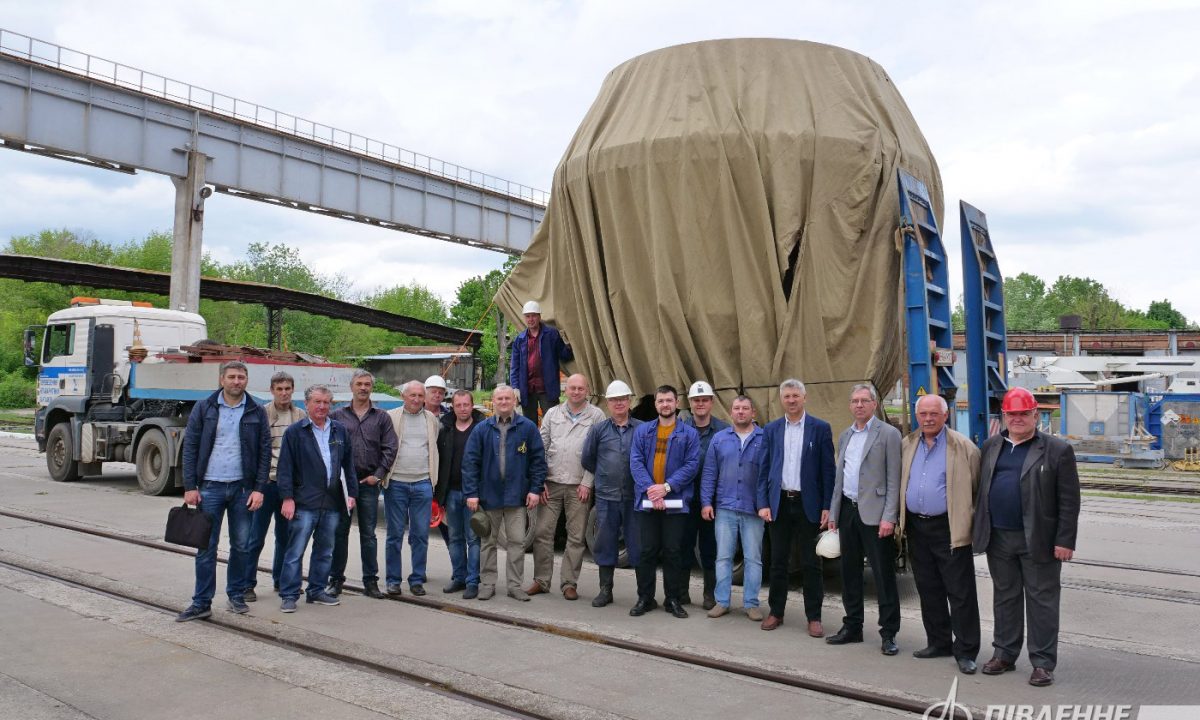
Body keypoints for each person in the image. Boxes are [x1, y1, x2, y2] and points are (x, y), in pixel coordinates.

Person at [973, 387, 1080, 687]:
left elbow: (1069, 501)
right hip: (999, 537)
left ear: (1035, 414)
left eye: (1023, 413)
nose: (1018, 419)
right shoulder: (992, 445)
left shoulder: (1057, 450)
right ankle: (1004, 654)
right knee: (1004, 598)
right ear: (1004, 416)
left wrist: (1065, 540)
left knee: (1042, 600)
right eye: (1012, 414)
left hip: (1040, 539)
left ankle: (1043, 662)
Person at [176, 360, 270, 622]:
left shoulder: (255, 410)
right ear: (221, 380)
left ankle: (236, 595)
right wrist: (190, 486)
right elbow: (191, 446)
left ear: (246, 381)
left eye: (241, 377)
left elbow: (264, 452)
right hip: (210, 488)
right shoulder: (204, 407)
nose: (236, 381)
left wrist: (259, 489)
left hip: (242, 489)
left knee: (241, 545)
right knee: (206, 547)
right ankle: (201, 602)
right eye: (231, 377)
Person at [898, 394, 982, 675]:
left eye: (934, 414)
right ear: (917, 415)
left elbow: (977, 491)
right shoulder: (907, 444)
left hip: (949, 527)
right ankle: (938, 642)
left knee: (960, 592)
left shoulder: (964, 448)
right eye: (923, 414)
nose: (928, 419)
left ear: (946, 416)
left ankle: (966, 650)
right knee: (928, 588)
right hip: (916, 527)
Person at [827, 383, 903, 655]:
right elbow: (840, 477)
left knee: (883, 575)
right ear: (850, 406)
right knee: (849, 573)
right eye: (854, 401)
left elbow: (894, 479)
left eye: (864, 400)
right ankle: (853, 626)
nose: (859, 405)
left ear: (873, 404)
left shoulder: (889, 434)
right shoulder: (845, 435)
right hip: (848, 510)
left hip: (875, 514)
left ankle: (889, 632)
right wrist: (834, 512)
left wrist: (889, 518)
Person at [758, 379, 836, 636]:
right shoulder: (771, 430)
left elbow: (828, 471)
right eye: (787, 396)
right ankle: (775, 612)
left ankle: (814, 617)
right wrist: (763, 502)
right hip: (779, 502)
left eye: (795, 396)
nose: (791, 400)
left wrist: (827, 505)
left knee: (811, 563)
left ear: (804, 398)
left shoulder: (820, 428)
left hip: (808, 504)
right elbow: (764, 469)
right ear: (781, 400)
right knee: (778, 562)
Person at [276, 385, 357, 612]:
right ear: (306, 404)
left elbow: (348, 465)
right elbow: (285, 468)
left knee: (325, 550)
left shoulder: (339, 430)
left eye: (326, 402)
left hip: (332, 502)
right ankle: (289, 595)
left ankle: (316, 590)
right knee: (295, 551)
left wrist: (351, 493)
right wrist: (287, 498)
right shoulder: (295, 432)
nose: (322, 406)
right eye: (317, 402)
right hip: (304, 502)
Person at [462, 384, 546, 601]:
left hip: (516, 497)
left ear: (515, 401)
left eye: (507, 399)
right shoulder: (482, 429)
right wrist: (471, 493)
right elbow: (470, 462)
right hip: (489, 496)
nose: (503, 402)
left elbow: (538, 461)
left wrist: (535, 489)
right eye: (499, 399)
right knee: (488, 542)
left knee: (517, 542)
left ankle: (515, 585)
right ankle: (488, 583)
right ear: (493, 402)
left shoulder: (528, 428)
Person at [527, 373, 606, 600]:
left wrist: (587, 483)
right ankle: (541, 580)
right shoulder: (553, 413)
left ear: (587, 391)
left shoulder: (596, 416)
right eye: (572, 388)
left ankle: (569, 583)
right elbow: (540, 448)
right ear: (565, 390)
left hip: (578, 486)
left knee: (576, 536)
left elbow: (596, 453)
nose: (576, 392)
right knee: (542, 532)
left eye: (581, 388)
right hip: (550, 483)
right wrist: (539, 480)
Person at [628, 385, 700, 619]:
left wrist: (666, 488)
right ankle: (645, 598)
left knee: (673, 552)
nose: (665, 405)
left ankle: (673, 600)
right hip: (647, 501)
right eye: (661, 401)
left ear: (676, 403)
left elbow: (691, 466)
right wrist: (652, 490)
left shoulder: (689, 434)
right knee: (646, 551)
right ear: (656, 404)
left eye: (669, 400)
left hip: (676, 502)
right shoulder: (643, 432)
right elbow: (636, 462)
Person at [329, 369, 398, 599]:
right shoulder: (337, 416)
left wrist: (378, 475)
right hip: (343, 485)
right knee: (340, 533)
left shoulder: (382, 417)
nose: (363, 388)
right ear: (351, 387)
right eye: (359, 383)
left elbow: (390, 448)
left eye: (367, 384)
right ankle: (336, 580)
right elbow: (329, 447)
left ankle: (371, 582)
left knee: (368, 535)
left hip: (368, 483)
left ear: (372, 387)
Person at [700, 396, 768, 620]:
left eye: (745, 408)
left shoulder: (764, 439)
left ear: (753, 413)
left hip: (753, 509)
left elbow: (769, 475)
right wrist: (706, 502)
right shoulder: (719, 440)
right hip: (725, 507)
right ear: (731, 412)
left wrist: (766, 504)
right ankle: (722, 601)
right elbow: (710, 473)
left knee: (753, 559)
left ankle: (751, 603)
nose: (741, 412)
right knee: (723, 557)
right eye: (736, 408)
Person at [580, 380, 643, 607]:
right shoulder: (598, 430)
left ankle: (643, 594)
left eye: (623, 399)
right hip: (607, 497)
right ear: (608, 403)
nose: (619, 403)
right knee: (605, 543)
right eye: (615, 400)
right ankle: (605, 590)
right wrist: (605, 477)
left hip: (635, 497)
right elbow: (588, 458)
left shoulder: (642, 429)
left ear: (629, 401)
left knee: (637, 544)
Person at [244, 371, 305, 601]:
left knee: (286, 537)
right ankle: (247, 584)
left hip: (288, 488)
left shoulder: (299, 415)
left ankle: (283, 580)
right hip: (265, 484)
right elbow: (257, 450)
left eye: (287, 388)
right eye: (279, 389)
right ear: (272, 391)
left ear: (292, 390)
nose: (284, 393)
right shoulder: (262, 414)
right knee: (255, 537)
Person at [383, 380, 440, 596]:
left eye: (420, 395)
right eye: (412, 395)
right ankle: (393, 580)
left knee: (420, 535)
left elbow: (432, 447)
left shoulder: (431, 419)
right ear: (403, 397)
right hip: (396, 482)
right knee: (394, 534)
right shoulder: (391, 417)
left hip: (423, 483)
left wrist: (430, 481)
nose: (416, 399)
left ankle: (417, 579)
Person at [680, 380, 728, 609]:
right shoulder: (681, 429)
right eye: (696, 400)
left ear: (711, 402)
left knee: (710, 551)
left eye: (704, 400)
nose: (700, 404)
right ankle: (682, 594)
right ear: (690, 403)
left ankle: (711, 594)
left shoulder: (724, 430)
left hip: (712, 502)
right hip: (686, 499)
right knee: (683, 548)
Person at [436, 389, 485, 599]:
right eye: (458, 405)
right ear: (453, 407)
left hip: (473, 494)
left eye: (466, 405)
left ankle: (473, 581)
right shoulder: (445, 428)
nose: (463, 409)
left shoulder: (482, 428)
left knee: (473, 539)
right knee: (455, 538)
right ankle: (459, 577)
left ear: (472, 405)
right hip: (451, 492)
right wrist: (439, 494)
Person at [509, 300, 573, 424]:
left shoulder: (552, 335)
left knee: (553, 422)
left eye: (533, 315)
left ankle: (551, 444)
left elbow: (565, 356)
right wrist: (515, 387)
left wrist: (567, 342)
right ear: (524, 318)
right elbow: (514, 366)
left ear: (539, 316)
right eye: (528, 316)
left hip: (547, 389)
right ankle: (532, 444)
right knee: (529, 425)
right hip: (527, 390)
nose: (531, 319)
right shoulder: (520, 339)